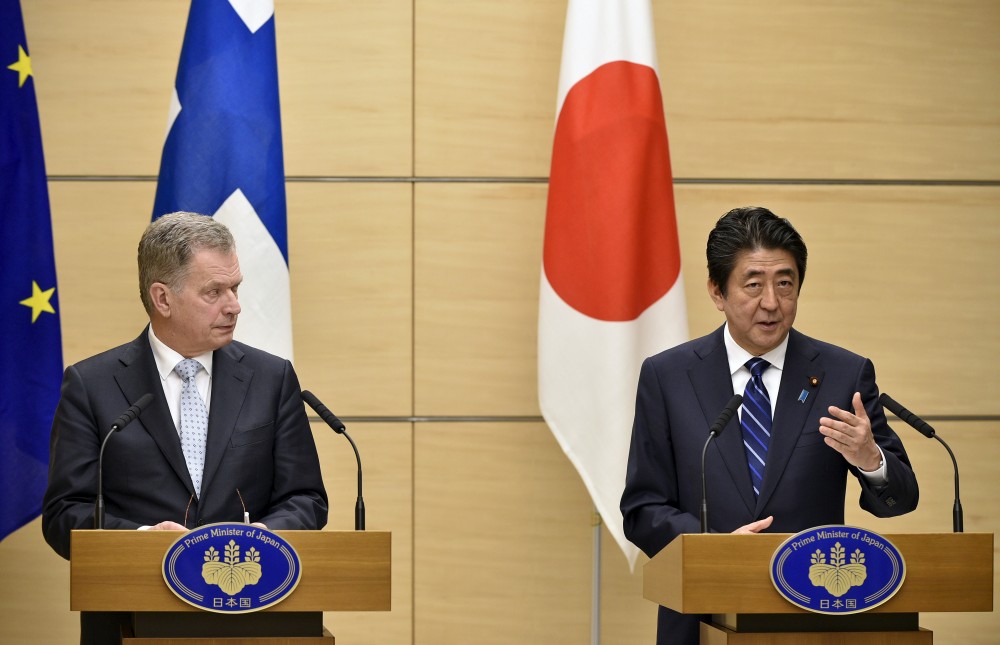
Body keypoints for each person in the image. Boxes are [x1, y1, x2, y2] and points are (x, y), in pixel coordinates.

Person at [620, 206, 918, 644]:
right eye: (753, 285)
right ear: (717, 292)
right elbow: (642, 509)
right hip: (700, 620)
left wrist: (871, 460)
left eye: (785, 283)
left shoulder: (843, 374)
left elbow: (900, 499)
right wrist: (716, 549)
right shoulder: (669, 377)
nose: (772, 303)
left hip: (813, 621)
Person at [42, 212, 328, 644]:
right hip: (131, 621)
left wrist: (263, 538)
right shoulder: (92, 385)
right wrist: (142, 541)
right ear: (162, 298)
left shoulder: (272, 379)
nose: (233, 305)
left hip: (255, 616)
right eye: (214, 291)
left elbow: (306, 497)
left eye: (235, 288)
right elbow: (64, 514)